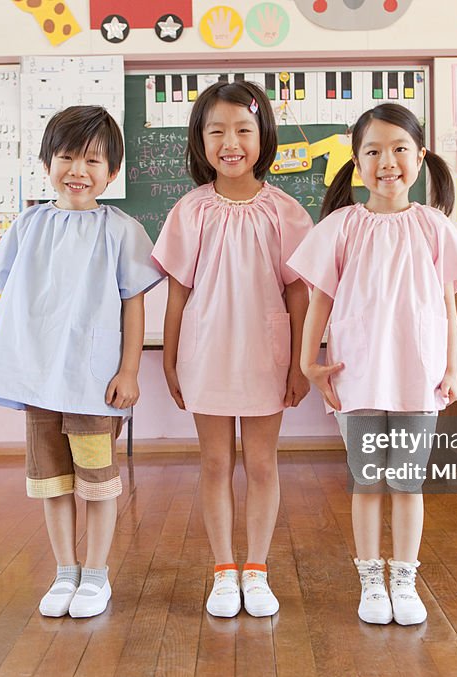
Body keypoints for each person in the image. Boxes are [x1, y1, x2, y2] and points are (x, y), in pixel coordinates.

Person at [288, 103, 457, 625]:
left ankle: (404, 579)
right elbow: (320, 301)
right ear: (355, 161)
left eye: (399, 148)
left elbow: (447, 305)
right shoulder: (341, 227)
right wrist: (310, 361)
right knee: (369, 480)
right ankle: (371, 580)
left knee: (408, 482)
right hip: (358, 373)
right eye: (372, 150)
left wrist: (451, 370)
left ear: (421, 157)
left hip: (418, 378)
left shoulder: (434, 227)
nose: (386, 161)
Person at [0, 106, 163, 618]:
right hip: (42, 382)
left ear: (112, 172)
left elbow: (134, 301)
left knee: (97, 481)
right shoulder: (29, 224)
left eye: (92, 160)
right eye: (66, 157)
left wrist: (129, 370)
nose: (78, 170)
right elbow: (12, 292)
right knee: (52, 482)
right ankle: (65, 571)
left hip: (93, 381)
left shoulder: (121, 230)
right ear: (46, 162)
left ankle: (97, 575)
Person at [151, 81, 313, 618]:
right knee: (216, 462)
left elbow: (298, 291)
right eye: (216, 130)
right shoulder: (190, 210)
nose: (231, 141)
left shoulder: (286, 212)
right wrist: (170, 359)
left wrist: (299, 363)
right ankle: (224, 570)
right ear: (200, 140)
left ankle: (257, 569)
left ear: (262, 135)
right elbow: (177, 293)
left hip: (266, 354)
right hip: (207, 351)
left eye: (243, 129)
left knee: (262, 464)